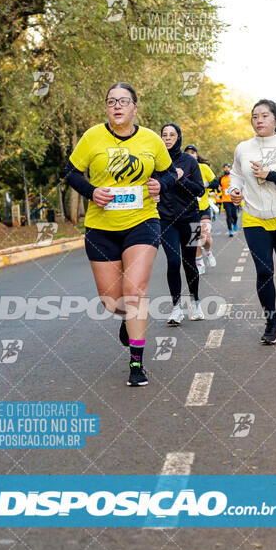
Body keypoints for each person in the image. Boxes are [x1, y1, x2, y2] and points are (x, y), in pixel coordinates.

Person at [65, 82, 177, 387]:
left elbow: (169, 171)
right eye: (111, 101)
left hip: (142, 222)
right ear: (106, 107)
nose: (117, 106)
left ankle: (137, 364)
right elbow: (71, 171)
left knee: (136, 290)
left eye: (124, 101)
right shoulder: (92, 137)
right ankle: (128, 320)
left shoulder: (151, 140)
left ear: (134, 108)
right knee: (111, 302)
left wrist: (161, 185)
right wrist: (91, 191)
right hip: (101, 227)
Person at [229, 99, 276, 344]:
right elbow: (236, 174)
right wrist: (234, 190)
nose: (258, 120)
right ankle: (271, 322)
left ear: (275, 119)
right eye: (254, 116)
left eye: (263, 116)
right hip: (254, 218)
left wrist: (271, 175)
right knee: (264, 270)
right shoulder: (243, 148)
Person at [156, 125, 205, 325]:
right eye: (164, 135)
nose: (168, 139)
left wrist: (180, 178)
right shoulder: (156, 161)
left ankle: (195, 302)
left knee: (190, 262)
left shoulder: (190, 162)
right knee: (174, 262)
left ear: (179, 138)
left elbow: (200, 190)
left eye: (172, 135)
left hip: (191, 218)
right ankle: (176, 308)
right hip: (165, 219)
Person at [184, 145, 219, 275]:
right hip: (190, 210)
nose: (190, 154)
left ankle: (208, 252)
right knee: (194, 240)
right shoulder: (182, 169)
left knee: (205, 238)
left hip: (203, 208)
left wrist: (206, 184)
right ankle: (199, 262)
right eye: (187, 153)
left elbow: (216, 183)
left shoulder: (203, 168)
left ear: (196, 155)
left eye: (192, 152)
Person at [219, 163, 238, 236]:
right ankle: (230, 230)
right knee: (228, 215)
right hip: (225, 200)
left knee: (234, 215)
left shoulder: (233, 177)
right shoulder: (221, 178)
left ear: (230, 169)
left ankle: (235, 222)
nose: (226, 169)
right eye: (225, 168)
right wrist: (218, 189)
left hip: (233, 199)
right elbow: (218, 187)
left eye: (227, 167)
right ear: (223, 169)